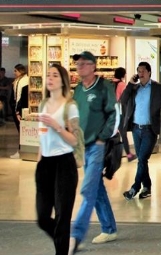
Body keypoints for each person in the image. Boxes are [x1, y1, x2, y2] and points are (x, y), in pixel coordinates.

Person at [69, 51, 119, 254]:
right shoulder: (78, 89)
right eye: (77, 64)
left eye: (83, 63)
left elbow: (115, 114)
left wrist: (102, 137)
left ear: (92, 66)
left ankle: (75, 235)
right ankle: (109, 228)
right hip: (84, 146)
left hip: (97, 146)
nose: (79, 67)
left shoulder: (104, 87)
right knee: (96, 188)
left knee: (88, 189)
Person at [36, 65, 80, 255]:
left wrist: (57, 126)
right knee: (43, 217)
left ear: (63, 80)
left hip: (64, 165)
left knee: (62, 217)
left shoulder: (70, 107)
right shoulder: (43, 104)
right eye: (48, 75)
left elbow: (74, 139)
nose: (50, 78)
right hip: (45, 164)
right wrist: (39, 161)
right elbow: (41, 137)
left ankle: (62, 245)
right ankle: (65, 239)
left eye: (55, 75)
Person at [121, 61, 161, 200]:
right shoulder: (135, 88)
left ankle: (134, 188)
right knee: (143, 160)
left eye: (143, 71)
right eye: (138, 71)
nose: (140, 73)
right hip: (136, 128)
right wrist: (130, 84)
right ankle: (147, 187)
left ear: (149, 72)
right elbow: (123, 100)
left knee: (142, 159)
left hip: (150, 129)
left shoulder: (157, 88)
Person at [111, 67, 135, 162]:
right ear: (122, 75)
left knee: (113, 133)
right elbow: (125, 98)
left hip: (110, 112)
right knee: (123, 133)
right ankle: (128, 154)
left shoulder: (109, 83)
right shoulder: (122, 85)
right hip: (119, 111)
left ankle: (111, 154)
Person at [10, 63, 29, 158]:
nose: (14, 73)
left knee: (22, 131)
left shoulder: (25, 81)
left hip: (21, 109)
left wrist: (18, 110)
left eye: (15, 71)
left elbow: (20, 97)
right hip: (17, 108)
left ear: (20, 71)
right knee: (21, 131)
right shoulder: (18, 81)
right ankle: (21, 150)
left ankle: (21, 150)